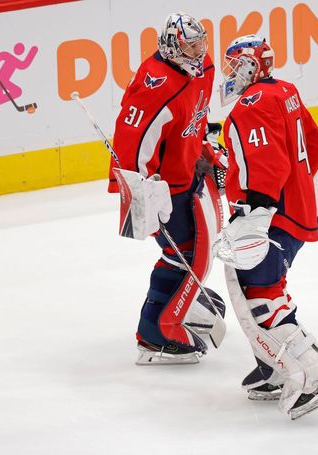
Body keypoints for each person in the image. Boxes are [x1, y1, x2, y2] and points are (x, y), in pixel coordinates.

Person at [213, 34, 318, 420]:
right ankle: (273, 367)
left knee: (264, 296)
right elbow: (315, 146)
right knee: (253, 286)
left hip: (271, 216)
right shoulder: (285, 90)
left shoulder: (252, 103)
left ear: (253, 66)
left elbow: (267, 164)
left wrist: (256, 211)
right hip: (294, 208)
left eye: (237, 65)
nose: (230, 73)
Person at [108, 12, 227, 365]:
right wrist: (142, 198)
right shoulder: (155, 86)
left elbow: (197, 115)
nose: (200, 51)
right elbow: (131, 149)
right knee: (184, 254)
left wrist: (206, 149)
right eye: (191, 45)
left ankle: (184, 301)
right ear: (173, 45)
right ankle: (155, 332)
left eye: (202, 43)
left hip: (189, 171)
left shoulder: (202, 67)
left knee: (197, 249)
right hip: (165, 187)